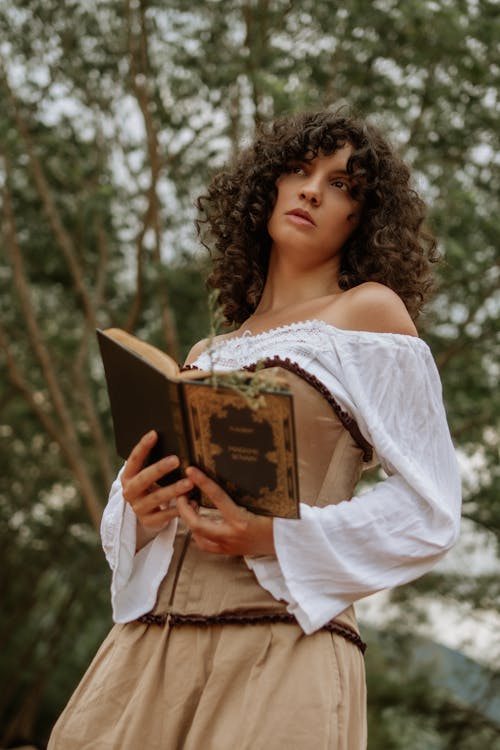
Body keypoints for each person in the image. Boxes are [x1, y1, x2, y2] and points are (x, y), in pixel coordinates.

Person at [48, 110, 461, 750]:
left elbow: (430, 508)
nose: (312, 190)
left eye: (343, 185)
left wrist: (276, 534)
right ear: (266, 187)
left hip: (279, 648)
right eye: (298, 170)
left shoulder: (370, 312)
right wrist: (139, 507)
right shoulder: (209, 349)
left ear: (364, 219)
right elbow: (148, 521)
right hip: (148, 654)